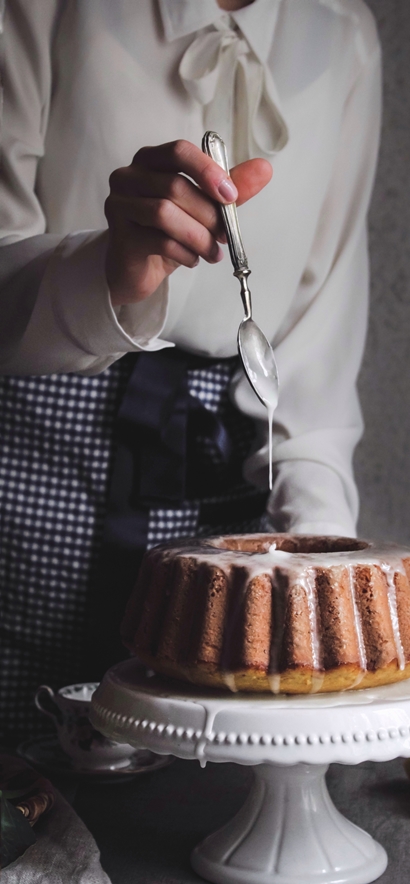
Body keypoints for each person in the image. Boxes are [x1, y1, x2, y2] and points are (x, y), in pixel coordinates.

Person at [0, 0, 382, 745]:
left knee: (196, 808)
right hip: (32, 463)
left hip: (227, 475)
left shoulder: (342, 31)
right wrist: (111, 269)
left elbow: (314, 344)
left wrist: (320, 548)